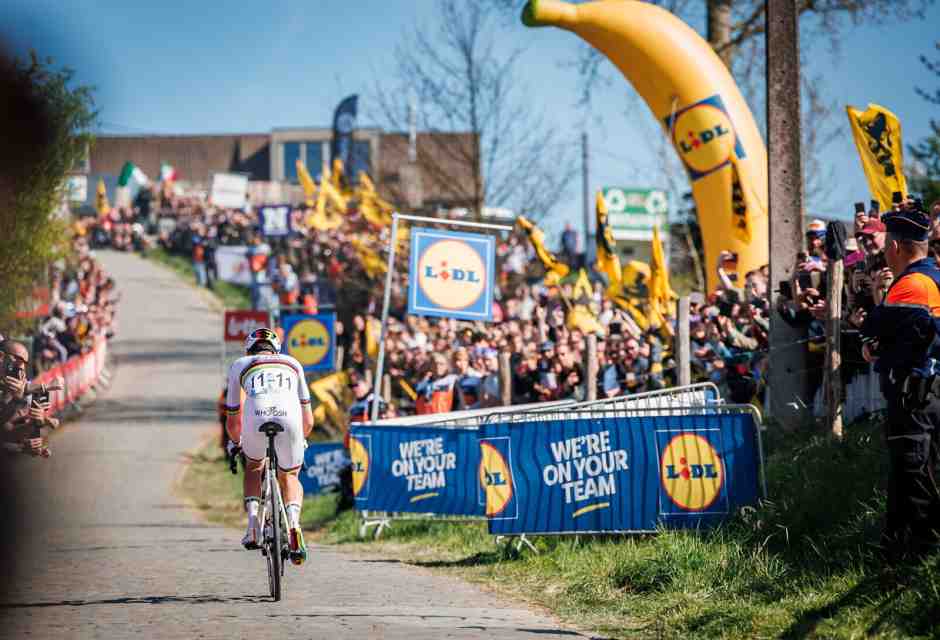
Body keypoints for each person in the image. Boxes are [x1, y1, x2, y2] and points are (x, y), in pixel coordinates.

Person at [860, 204, 940, 560]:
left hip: (914, 399)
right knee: (920, 473)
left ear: (894, 246)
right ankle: (900, 552)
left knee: (913, 478)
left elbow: (875, 327)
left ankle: (914, 557)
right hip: (927, 394)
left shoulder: (911, 285)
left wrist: (873, 339)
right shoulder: (933, 278)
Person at [224, 328, 314, 565]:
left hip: (255, 417)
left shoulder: (239, 364)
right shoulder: (293, 363)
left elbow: (233, 419)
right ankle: (294, 525)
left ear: (249, 350)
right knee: (290, 475)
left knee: (254, 466)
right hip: (290, 417)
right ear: (276, 350)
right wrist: (301, 438)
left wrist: (236, 443)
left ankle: (253, 525)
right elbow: (308, 420)